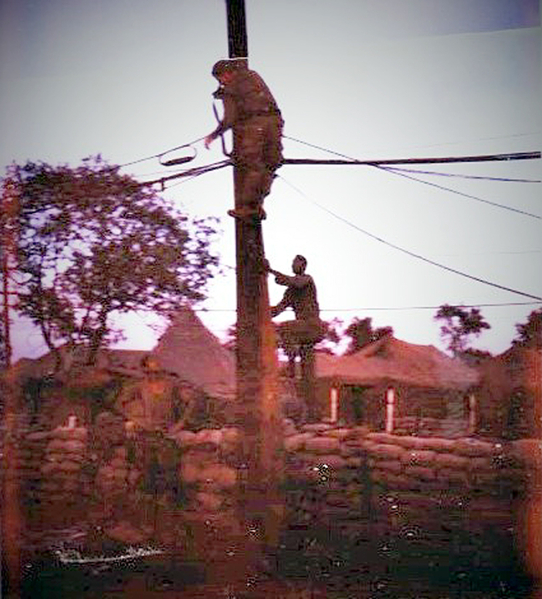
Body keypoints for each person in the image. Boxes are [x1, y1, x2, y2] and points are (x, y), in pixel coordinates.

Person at [205, 59, 283, 221]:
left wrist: (213, 135)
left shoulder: (230, 89)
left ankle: (248, 208)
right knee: (270, 163)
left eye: (220, 78)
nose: (222, 81)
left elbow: (230, 118)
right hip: (274, 122)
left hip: (254, 127)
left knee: (252, 165)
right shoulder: (253, 76)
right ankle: (257, 205)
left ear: (225, 74)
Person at [266, 255, 326, 378]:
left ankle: (291, 367)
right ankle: (295, 371)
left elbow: (292, 281)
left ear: (303, 266)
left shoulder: (307, 280)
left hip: (312, 325)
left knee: (284, 328)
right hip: (303, 329)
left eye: (296, 263)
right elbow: (278, 309)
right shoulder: (290, 292)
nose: (293, 265)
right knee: (306, 358)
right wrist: (261, 310)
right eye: (292, 263)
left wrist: (271, 271)